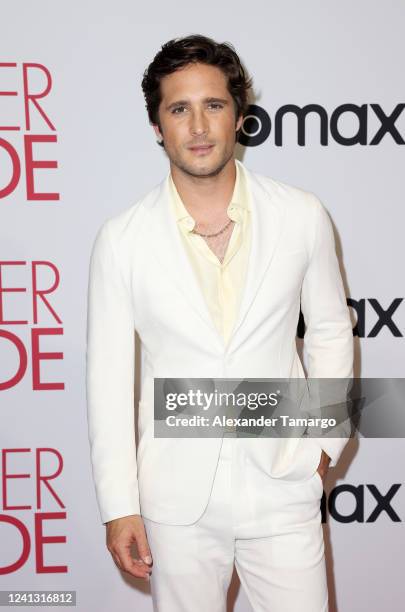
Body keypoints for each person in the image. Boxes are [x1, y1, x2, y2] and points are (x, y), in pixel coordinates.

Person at [86, 34, 354, 612]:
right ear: (158, 125)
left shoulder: (302, 216)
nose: (199, 126)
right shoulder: (121, 240)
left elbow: (332, 331)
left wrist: (324, 444)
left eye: (214, 105)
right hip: (176, 500)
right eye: (179, 108)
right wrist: (119, 505)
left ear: (239, 116)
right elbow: (107, 381)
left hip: (283, 482)